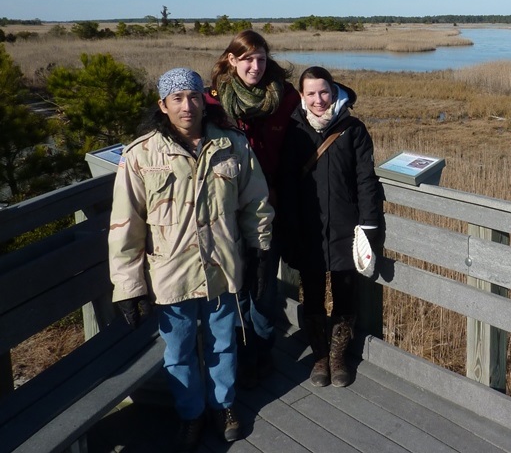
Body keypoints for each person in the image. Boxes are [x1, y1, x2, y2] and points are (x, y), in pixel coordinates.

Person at [108, 67, 273, 452]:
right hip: (171, 274)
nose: (187, 106)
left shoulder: (231, 145)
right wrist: (129, 286)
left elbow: (256, 203)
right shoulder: (140, 155)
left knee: (223, 343)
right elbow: (125, 225)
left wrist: (261, 252)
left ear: (204, 99)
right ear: (162, 105)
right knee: (179, 352)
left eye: (194, 96)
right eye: (177, 99)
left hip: (222, 268)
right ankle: (191, 414)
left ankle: (224, 406)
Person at [280, 66, 384, 388]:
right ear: (302, 96)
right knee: (310, 294)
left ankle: (338, 357)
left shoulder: (353, 129)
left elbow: (366, 181)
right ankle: (320, 357)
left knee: (343, 293)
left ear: (334, 90)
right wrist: (289, 224)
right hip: (308, 228)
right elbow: (286, 182)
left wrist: (367, 226)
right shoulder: (294, 130)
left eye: (324, 92)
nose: (318, 100)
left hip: (344, 228)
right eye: (310, 93)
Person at [207, 30, 300, 389]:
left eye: (261, 59)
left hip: (268, 206)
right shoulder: (213, 101)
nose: (255, 67)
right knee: (233, 284)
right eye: (247, 59)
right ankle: (238, 353)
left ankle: (262, 354)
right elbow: (176, 125)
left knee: (262, 284)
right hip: (225, 207)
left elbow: (313, 117)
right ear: (231, 60)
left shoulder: (284, 96)